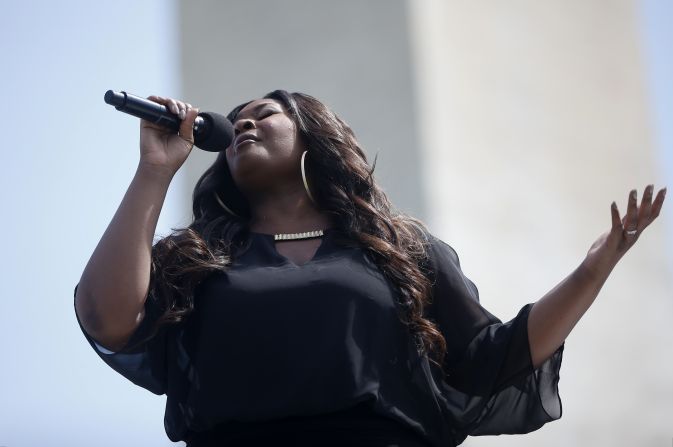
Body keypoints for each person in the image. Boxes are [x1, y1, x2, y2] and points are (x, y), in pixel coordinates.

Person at [73, 90, 666, 447]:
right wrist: (155, 169)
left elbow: (491, 357)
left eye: (265, 114)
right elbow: (108, 318)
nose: (244, 124)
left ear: (314, 140)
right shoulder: (197, 257)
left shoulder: (396, 249)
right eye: (236, 122)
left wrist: (594, 269)